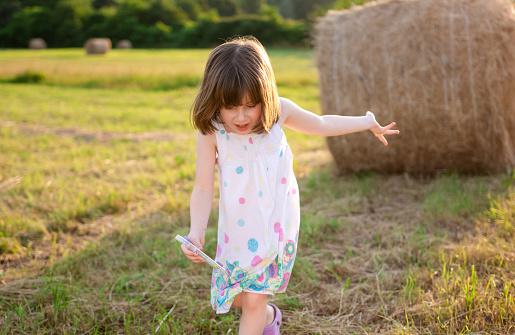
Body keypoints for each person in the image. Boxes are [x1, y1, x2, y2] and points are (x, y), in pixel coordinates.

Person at [180, 36, 399, 335]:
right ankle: (270, 318)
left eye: (250, 105)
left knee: (254, 299)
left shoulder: (279, 112)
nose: (241, 116)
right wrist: (196, 230)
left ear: (264, 96)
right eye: (231, 107)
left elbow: (321, 124)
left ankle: (262, 317)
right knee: (237, 298)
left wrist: (366, 122)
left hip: (275, 225)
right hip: (238, 230)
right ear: (215, 99)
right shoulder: (212, 130)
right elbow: (203, 187)